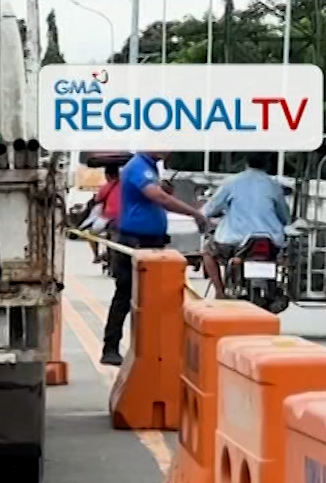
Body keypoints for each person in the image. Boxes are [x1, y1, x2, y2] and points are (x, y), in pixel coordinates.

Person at [100, 150, 210, 366]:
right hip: (136, 242)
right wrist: (195, 213)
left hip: (151, 241)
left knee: (156, 298)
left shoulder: (149, 166)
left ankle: (153, 348)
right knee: (125, 295)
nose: (169, 148)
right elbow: (157, 197)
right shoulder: (139, 165)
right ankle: (111, 347)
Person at [201, 152, 292, 300]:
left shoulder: (231, 182)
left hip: (235, 240)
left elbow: (210, 209)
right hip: (270, 239)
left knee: (208, 251)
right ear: (267, 164)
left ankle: (219, 291)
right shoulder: (273, 185)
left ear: (246, 163)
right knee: (280, 257)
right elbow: (284, 216)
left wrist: (204, 215)